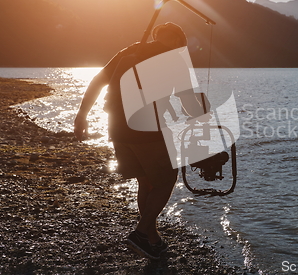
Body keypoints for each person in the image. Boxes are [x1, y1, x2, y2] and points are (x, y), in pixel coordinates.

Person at [74, 22, 205, 260]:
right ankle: (140, 233)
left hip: (116, 127)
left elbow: (97, 80)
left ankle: (151, 240)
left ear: (158, 35)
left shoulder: (130, 51)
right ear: (178, 41)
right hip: (146, 129)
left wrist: (82, 115)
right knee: (166, 180)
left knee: (146, 183)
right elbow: (188, 102)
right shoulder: (175, 59)